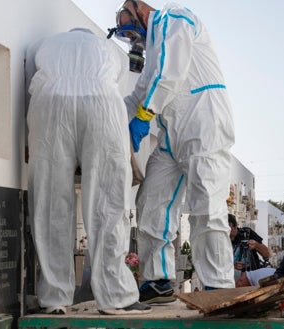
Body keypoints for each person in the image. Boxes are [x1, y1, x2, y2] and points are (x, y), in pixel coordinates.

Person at [109, 0, 236, 304]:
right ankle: (159, 280)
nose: (130, 39)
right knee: (152, 200)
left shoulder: (174, 17)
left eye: (128, 29)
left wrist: (142, 117)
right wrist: (111, 119)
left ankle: (218, 288)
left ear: (139, 9)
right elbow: (142, 90)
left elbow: (170, 74)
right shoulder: (154, 47)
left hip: (203, 122)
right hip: (171, 129)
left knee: (206, 206)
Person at [25, 28, 151, 315]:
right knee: (108, 202)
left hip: (49, 101)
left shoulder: (44, 42)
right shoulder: (110, 51)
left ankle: (54, 297)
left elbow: (34, 77)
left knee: (50, 200)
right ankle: (116, 296)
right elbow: (116, 83)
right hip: (102, 103)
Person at [228, 214, 271, 280]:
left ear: (235, 226)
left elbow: (267, 254)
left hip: (251, 278)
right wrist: (232, 267)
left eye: (230, 230)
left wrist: (256, 245)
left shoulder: (247, 233)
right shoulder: (221, 239)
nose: (228, 233)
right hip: (232, 280)